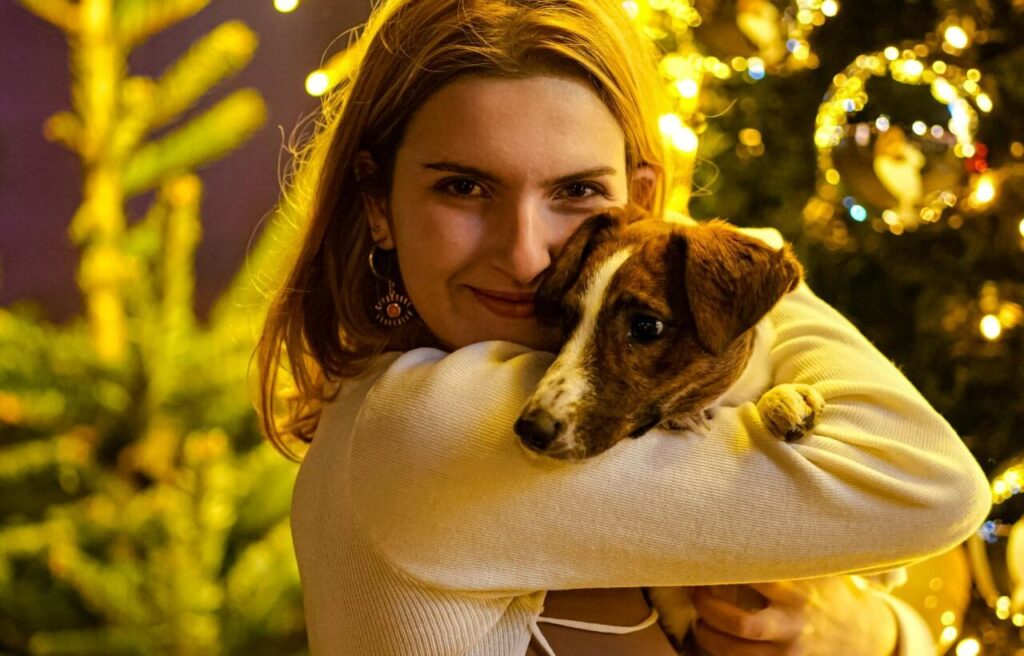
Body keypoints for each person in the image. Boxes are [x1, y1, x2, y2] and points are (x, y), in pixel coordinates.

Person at [254, 0, 992, 653]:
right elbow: (930, 481)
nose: (524, 253)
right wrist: (738, 259)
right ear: (378, 206)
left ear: (637, 196)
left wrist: (879, 635)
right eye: (464, 186)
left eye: (576, 190)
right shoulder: (436, 424)